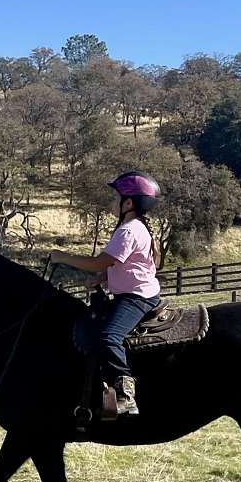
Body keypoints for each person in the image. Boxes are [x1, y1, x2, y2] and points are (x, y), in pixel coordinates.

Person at [50, 171, 161, 416]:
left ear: (129, 203)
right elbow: (130, 264)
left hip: (135, 297)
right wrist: (104, 278)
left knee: (108, 336)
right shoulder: (136, 227)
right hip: (136, 291)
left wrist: (62, 257)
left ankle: (125, 390)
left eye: (115, 198)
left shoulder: (128, 230)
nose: (112, 202)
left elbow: (100, 262)